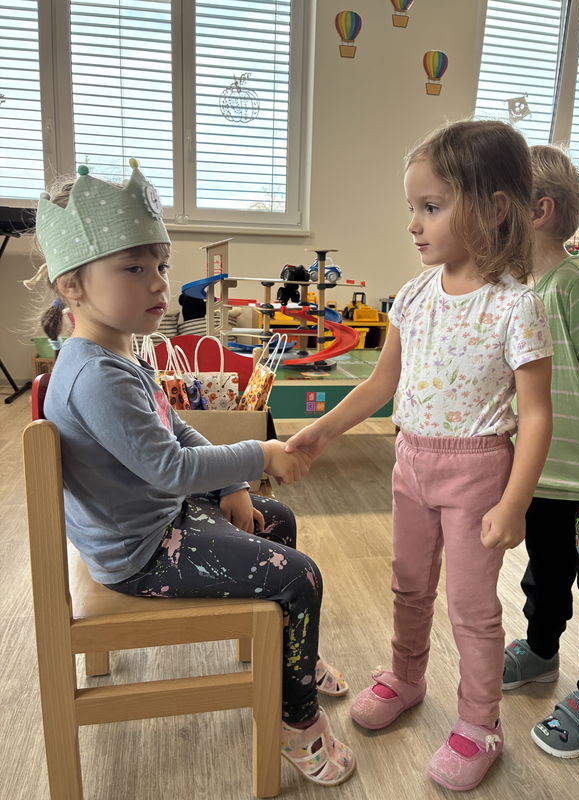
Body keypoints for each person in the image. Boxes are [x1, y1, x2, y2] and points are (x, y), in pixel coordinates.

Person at [26, 160, 355, 787]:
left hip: (155, 519)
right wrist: (261, 455)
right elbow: (171, 468)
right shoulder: (96, 377)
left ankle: (288, 658)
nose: (158, 282)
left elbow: (176, 430)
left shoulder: (115, 354)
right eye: (134, 268)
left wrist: (231, 485)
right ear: (72, 285)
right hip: (140, 551)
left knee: (277, 520)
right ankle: (296, 721)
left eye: (161, 264)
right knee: (300, 576)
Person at [285, 120, 554, 790]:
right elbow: (382, 384)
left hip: (478, 472)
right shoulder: (412, 296)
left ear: (494, 208)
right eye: (412, 207)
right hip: (411, 463)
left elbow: (536, 414)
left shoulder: (517, 307)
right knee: (408, 584)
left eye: (431, 207)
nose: (413, 224)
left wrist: (515, 502)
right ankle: (406, 677)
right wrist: (322, 431)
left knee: (471, 607)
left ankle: (480, 722)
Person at [501, 144, 579, 758]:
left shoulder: (576, 284)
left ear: (538, 211)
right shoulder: (520, 289)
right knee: (545, 576)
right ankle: (540, 652)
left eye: (498, 205)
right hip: (540, 478)